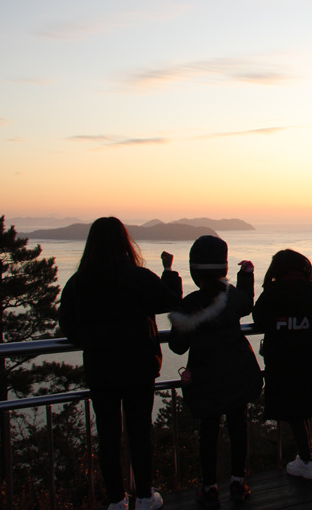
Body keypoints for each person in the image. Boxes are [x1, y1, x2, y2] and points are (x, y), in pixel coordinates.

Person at [59, 217, 182, 510]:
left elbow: (68, 326)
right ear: (124, 243)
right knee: (139, 433)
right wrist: (168, 271)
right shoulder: (138, 277)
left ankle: (116, 500)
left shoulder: (78, 283)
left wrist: (93, 339)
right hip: (139, 368)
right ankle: (144, 496)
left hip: (101, 370)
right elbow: (169, 301)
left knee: (108, 437)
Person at [168, 235, 263, 508]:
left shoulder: (189, 305)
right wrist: (246, 275)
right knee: (238, 427)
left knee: (208, 431)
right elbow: (247, 303)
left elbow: (177, 346)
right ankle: (238, 482)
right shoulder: (232, 298)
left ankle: (209, 487)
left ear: (194, 270)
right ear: (223, 267)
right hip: (237, 375)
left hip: (205, 378)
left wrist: (170, 279)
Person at [253, 249, 312, 480]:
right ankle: (307, 455)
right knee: (303, 407)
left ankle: (307, 459)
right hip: (309, 354)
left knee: (293, 409)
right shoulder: (308, 289)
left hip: (281, 358)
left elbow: (258, 318)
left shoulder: (273, 291)